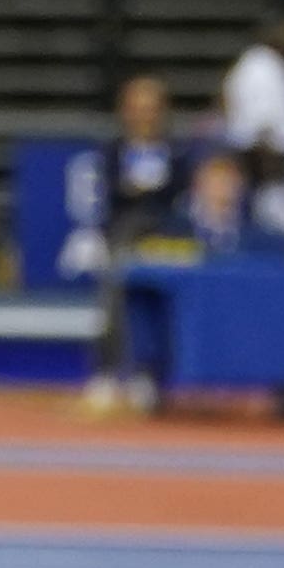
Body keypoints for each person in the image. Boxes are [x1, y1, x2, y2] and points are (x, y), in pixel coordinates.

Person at [84, 71, 187, 411]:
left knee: (157, 306)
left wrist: (144, 192)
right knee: (115, 302)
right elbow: (114, 194)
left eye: (151, 108)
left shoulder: (175, 152)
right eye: (137, 107)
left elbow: (175, 194)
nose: (144, 115)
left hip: (163, 236)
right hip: (123, 234)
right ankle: (107, 373)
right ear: (125, 111)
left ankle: (149, 376)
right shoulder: (113, 150)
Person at [218, 14, 284, 188]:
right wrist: (268, 164)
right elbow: (263, 122)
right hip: (265, 160)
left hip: (271, 157)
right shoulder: (261, 64)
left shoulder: (269, 62)